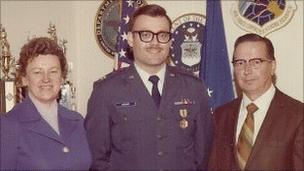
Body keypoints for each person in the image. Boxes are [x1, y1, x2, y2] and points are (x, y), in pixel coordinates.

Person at [85, 4, 213, 171]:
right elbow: (97, 159)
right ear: (131, 39)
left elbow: (203, 155)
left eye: (162, 35)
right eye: (145, 35)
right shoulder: (106, 91)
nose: (155, 42)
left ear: (170, 40)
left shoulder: (193, 87)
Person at [208, 33, 303, 170]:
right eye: (240, 63)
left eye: (256, 62)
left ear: (272, 66)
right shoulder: (221, 115)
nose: (247, 70)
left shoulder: (298, 115)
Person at [0, 37, 92, 170]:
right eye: (37, 72)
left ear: (62, 77)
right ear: (24, 78)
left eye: (53, 71)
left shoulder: (77, 120)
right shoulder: (8, 125)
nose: (46, 79)